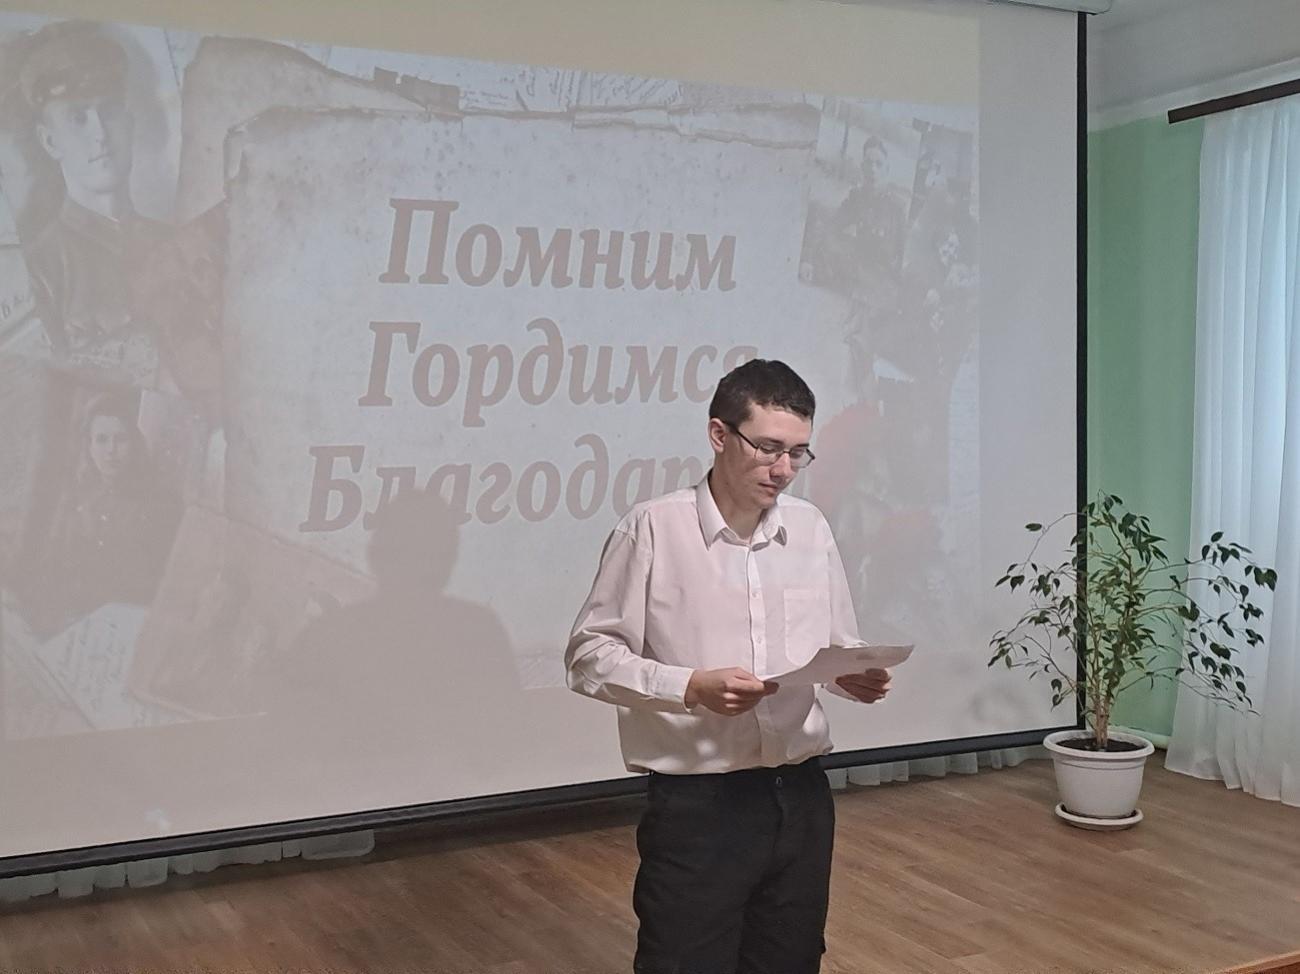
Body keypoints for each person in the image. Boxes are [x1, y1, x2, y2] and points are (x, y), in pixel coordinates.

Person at [566, 359, 894, 974]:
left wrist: (850, 674)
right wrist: (689, 686)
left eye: (798, 453)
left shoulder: (810, 529)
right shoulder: (653, 528)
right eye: (768, 448)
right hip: (699, 804)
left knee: (791, 960)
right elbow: (589, 656)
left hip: (801, 795)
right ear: (719, 434)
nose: (784, 469)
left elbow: (836, 644)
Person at [19, 20, 167, 384]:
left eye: (109, 111)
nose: (100, 134)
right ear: (50, 141)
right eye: (78, 118)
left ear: (130, 123)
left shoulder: (175, 243)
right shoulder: (40, 269)